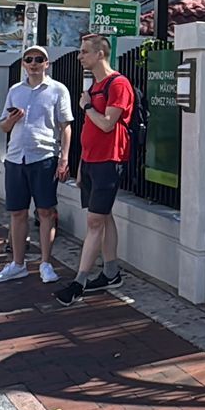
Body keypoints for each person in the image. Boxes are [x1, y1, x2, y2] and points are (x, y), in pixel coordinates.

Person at [55, 33, 133, 306]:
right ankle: (111, 272)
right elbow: (90, 130)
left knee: (94, 222)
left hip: (109, 160)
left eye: (84, 52)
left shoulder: (118, 84)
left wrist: (86, 106)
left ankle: (79, 282)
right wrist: (80, 166)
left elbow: (107, 124)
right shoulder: (97, 86)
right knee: (103, 216)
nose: (79, 57)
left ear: (100, 54)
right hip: (91, 162)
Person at [0, 46, 73, 284]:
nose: (34, 63)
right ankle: (18, 263)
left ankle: (46, 263)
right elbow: (3, 127)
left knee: (46, 211)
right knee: (17, 212)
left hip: (44, 156)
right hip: (16, 157)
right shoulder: (15, 90)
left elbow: (65, 125)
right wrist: (12, 119)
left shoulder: (58, 90)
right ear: (24, 64)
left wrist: (64, 157)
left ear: (47, 63)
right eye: (29, 59)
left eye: (39, 59)